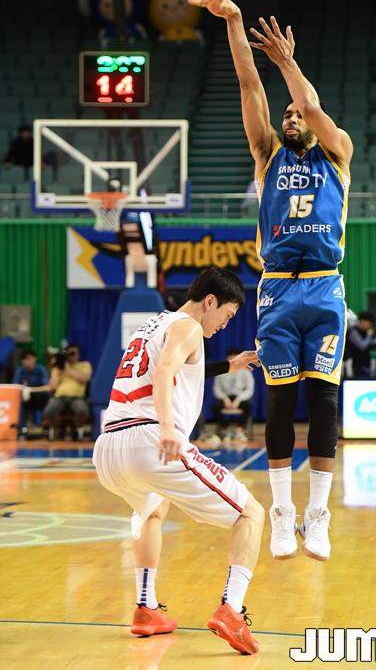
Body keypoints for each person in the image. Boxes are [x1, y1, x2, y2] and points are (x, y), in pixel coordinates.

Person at [189, 0, 354, 562]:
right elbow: (248, 86)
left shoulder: (337, 152)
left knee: (324, 402)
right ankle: (283, 513)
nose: (290, 117)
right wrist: (234, 22)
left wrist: (288, 64)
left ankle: (318, 515)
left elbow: (307, 102)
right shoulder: (267, 155)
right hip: (279, 287)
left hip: (325, 285)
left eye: (296, 113)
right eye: (285, 115)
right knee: (280, 404)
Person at [92, 268, 264, 655]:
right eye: (227, 315)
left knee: (152, 509)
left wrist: (229, 365)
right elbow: (166, 370)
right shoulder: (188, 327)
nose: (225, 324)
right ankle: (232, 610)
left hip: (108, 448)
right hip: (150, 439)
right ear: (210, 301)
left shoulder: (154, 325)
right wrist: (169, 428)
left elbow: (180, 366)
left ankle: (146, 607)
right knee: (251, 513)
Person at [42, 343, 92, 439]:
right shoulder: (58, 367)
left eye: (74, 353)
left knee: (82, 411)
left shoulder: (84, 365)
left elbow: (84, 378)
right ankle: (60, 428)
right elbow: (53, 386)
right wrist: (56, 369)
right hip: (60, 397)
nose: (71, 356)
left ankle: (75, 428)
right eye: (69, 354)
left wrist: (67, 369)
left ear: (78, 354)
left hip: (77, 398)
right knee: (48, 412)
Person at [212, 347, 255, 442]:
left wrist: (239, 399)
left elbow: (249, 390)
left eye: (235, 357)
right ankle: (226, 429)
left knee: (249, 406)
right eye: (230, 358)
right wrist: (224, 398)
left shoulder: (245, 371)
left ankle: (240, 430)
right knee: (215, 407)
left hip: (239, 397)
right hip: (226, 397)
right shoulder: (221, 371)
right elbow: (216, 389)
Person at [13, 349, 50, 435]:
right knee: (19, 399)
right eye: (26, 359)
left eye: (30, 358)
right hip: (25, 399)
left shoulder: (41, 369)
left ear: (34, 359)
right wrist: (24, 390)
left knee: (44, 396)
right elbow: (15, 387)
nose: (28, 361)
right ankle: (20, 428)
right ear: (22, 361)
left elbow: (47, 387)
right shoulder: (20, 371)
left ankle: (43, 426)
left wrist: (30, 390)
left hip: (40, 397)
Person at [345, 311, 376, 379]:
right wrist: (369, 336)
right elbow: (362, 346)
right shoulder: (353, 331)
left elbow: (369, 345)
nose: (369, 326)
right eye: (369, 323)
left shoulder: (365, 332)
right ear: (363, 321)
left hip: (365, 364)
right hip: (354, 366)